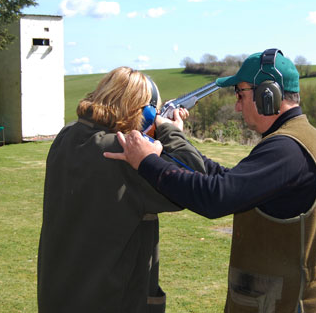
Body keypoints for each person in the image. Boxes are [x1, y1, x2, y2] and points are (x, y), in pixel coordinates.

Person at [104, 49, 316, 312]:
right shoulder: (294, 140)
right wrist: (171, 139)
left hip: (291, 304)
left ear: (268, 95)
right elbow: (224, 179)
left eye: (241, 95)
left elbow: (215, 197)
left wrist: (146, 162)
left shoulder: (287, 149)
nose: (237, 105)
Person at [37, 66, 205, 313]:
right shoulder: (123, 153)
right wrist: (167, 129)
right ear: (144, 111)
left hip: (59, 295)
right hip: (113, 300)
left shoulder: (67, 136)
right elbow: (195, 181)